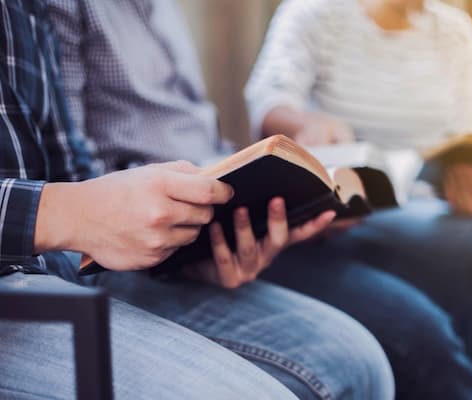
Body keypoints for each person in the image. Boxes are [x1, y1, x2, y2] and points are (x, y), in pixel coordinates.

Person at [45, 0, 472, 399]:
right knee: (442, 300)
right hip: (159, 229)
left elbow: (194, 135)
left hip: (229, 209)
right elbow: (72, 175)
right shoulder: (61, 9)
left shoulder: (161, 9)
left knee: (470, 302)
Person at [0, 1, 396, 399]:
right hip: (20, 282)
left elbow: (69, 170)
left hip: (66, 263)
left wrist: (181, 253)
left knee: (359, 365)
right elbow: (79, 197)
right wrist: (64, 213)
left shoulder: (30, 11)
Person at [246, 0, 472, 399]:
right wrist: (307, 124)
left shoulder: (454, 31)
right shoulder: (314, 13)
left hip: (431, 216)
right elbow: (268, 104)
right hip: (352, 213)